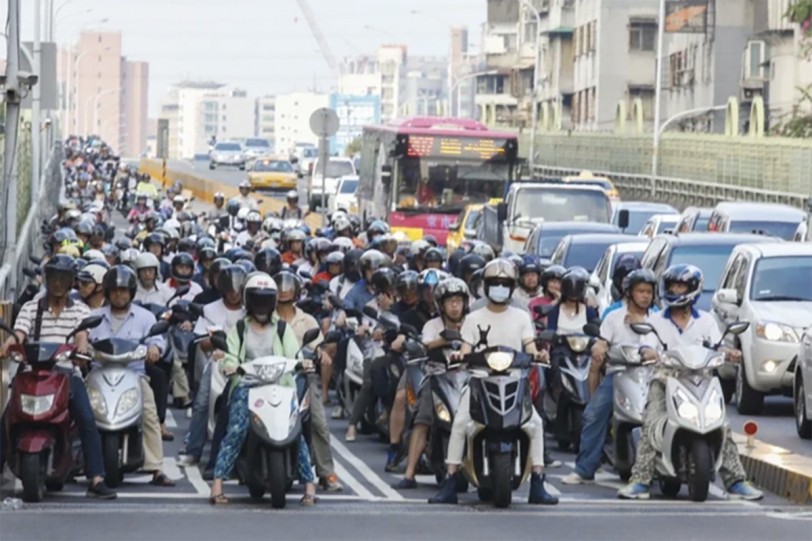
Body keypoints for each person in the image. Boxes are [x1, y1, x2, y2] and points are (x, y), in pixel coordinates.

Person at [617, 264, 763, 501]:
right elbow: (645, 345)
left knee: (722, 426)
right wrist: (647, 353)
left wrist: (729, 353)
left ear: (693, 289)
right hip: (666, 380)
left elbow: (718, 345)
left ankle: (736, 481)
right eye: (673, 285)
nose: (676, 290)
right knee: (652, 423)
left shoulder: (706, 321)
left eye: (681, 286)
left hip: (702, 380)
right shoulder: (655, 320)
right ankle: (640, 481)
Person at [429, 259, 558, 505]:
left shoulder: (521, 316)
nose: (500, 287)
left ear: (512, 287)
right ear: (486, 286)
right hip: (479, 379)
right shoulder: (473, 317)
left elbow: (529, 345)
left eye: (505, 283)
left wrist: (539, 353)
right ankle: (450, 480)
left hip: (514, 380)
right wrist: (459, 355)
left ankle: (538, 483)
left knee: (535, 425)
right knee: (461, 423)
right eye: (494, 283)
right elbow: (465, 347)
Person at [0, 255, 117, 499]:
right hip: (32, 372)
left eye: (63, 278)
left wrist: (81, 346)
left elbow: (82, 333)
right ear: (47, 279)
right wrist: (9, 343)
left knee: (86, 418)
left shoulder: (80, 310)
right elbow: (19, 332)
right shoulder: (33, 306)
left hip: (65, 373)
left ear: (71, 281)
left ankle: (96, 477)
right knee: (7, 417)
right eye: (53, 277)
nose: (57, 283)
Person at [208, 272, 317, 506]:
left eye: (265, 299)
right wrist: (229, 365)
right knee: (236, 428)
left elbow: (294, 354)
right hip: (248, 387)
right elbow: (230, 355)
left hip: (280, 386)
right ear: (248, 301)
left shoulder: (282, 329)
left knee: (294, 429)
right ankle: (217, 483)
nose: (261, 305)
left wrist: (303, 362)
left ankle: (309, 486)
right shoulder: (239, 329)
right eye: (256, 299)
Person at [561, 269, 659, 485]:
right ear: (629, 293)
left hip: (653, 376)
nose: (645, 296)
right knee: (593, 415)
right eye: (640, 291)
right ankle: (585, 468)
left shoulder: (659, 319)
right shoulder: (614, 318)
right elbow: (602, 341)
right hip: (619, 374)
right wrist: (599, 347)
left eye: (649, 292)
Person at [89, 265, 175, 487]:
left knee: (150, 413)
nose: (119, 295)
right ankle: (75, 462)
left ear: (131, 292)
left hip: (134, 375)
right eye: (115, 290)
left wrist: (154, 349)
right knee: (81, 411)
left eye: (123, 290)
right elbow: (82, 339)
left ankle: (156, 468)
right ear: (107, 293)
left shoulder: (145, 317)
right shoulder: (94, 317)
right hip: (99, 374)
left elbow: (157, 340)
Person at [394, 277, 469, 489]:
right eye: (450, 301)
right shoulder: (432, 325)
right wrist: (444, 340)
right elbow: (425, 344)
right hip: (437, 377)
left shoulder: (473, 324)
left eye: (458, 300)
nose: (455, 305)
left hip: (467, 378)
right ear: (441, 305)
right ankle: (409, 474)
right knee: (422, 419)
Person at [273, 270, 342, 492]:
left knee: (319, 423)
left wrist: (322, 354)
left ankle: (326, 472)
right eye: (280, 287)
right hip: (271, 378)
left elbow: (318, 346)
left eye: (288, 287)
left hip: (302, 378)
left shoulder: (307, 320)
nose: (284, 291)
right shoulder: (265, 317)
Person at [178, 265, 247, 469]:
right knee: (201, 403)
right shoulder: (210, 309)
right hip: (217, 363)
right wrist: (215, 342)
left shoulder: (249, 308)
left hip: (244, 363)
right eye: (230, 290)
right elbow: (202, 343)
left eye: (237, 290)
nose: (234, 294)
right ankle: (193, 450)